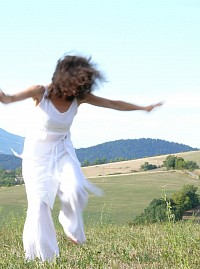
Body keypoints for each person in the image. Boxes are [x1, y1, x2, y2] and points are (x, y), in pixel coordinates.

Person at [0, 54, 162, 262]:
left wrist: (143, 108)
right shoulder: (41, 92)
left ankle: (71, 228)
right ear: (65, 79)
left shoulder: (78, 97)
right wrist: (3, 96)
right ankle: (44, 259)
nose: (80, 89)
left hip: (63, 150)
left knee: (76, 188)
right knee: (39, 206)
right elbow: (9, 99)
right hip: (36, 156)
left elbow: (112, 103)